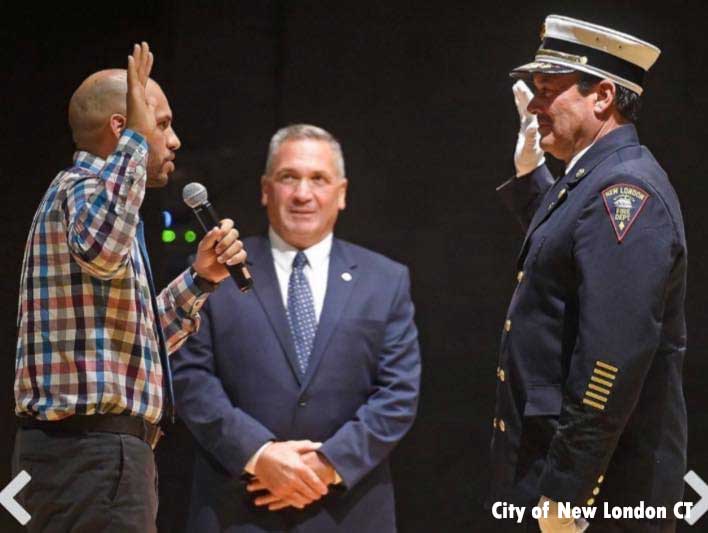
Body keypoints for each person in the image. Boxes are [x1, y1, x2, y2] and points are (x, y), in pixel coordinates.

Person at [12, 42, 245, 533]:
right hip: (89, 458)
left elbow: (133, 341)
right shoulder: (83, 189)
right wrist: (138, 141)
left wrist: (200, 279)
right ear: (121, 129)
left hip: (80, 458)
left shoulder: (96, 206)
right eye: (162, 124)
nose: (174, 141)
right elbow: (101, 248)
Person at [172, 124, 421, 532]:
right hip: (236, 509)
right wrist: (260, 455)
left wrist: (325, 466)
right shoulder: (213, 271)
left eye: (318, 179)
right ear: (266, 189)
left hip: (349, 512)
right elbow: (190, 378)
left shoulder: (386, 280)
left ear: (341, 193)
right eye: (289, 177)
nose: (303, 194)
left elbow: (398, 393)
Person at [490, 15, 687, 533]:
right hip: (561, 471)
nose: (534, 105)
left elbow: (612, 358)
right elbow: (565, 255)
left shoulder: (625, 192)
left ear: (602, 97)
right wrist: (533, 178)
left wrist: (569, 490)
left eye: (548, 90)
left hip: (601, 493)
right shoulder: (593, 177)